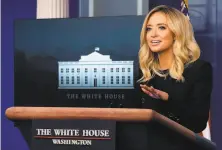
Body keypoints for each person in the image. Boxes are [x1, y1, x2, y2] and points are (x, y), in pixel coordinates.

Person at [116, 5, 213, 150]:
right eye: (149, 29)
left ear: (176, 33)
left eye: (161, 27)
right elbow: (129, 118)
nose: (153, 34)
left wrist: (167, 100)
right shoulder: (143, 72)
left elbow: (197, 123)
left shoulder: (198, 69)